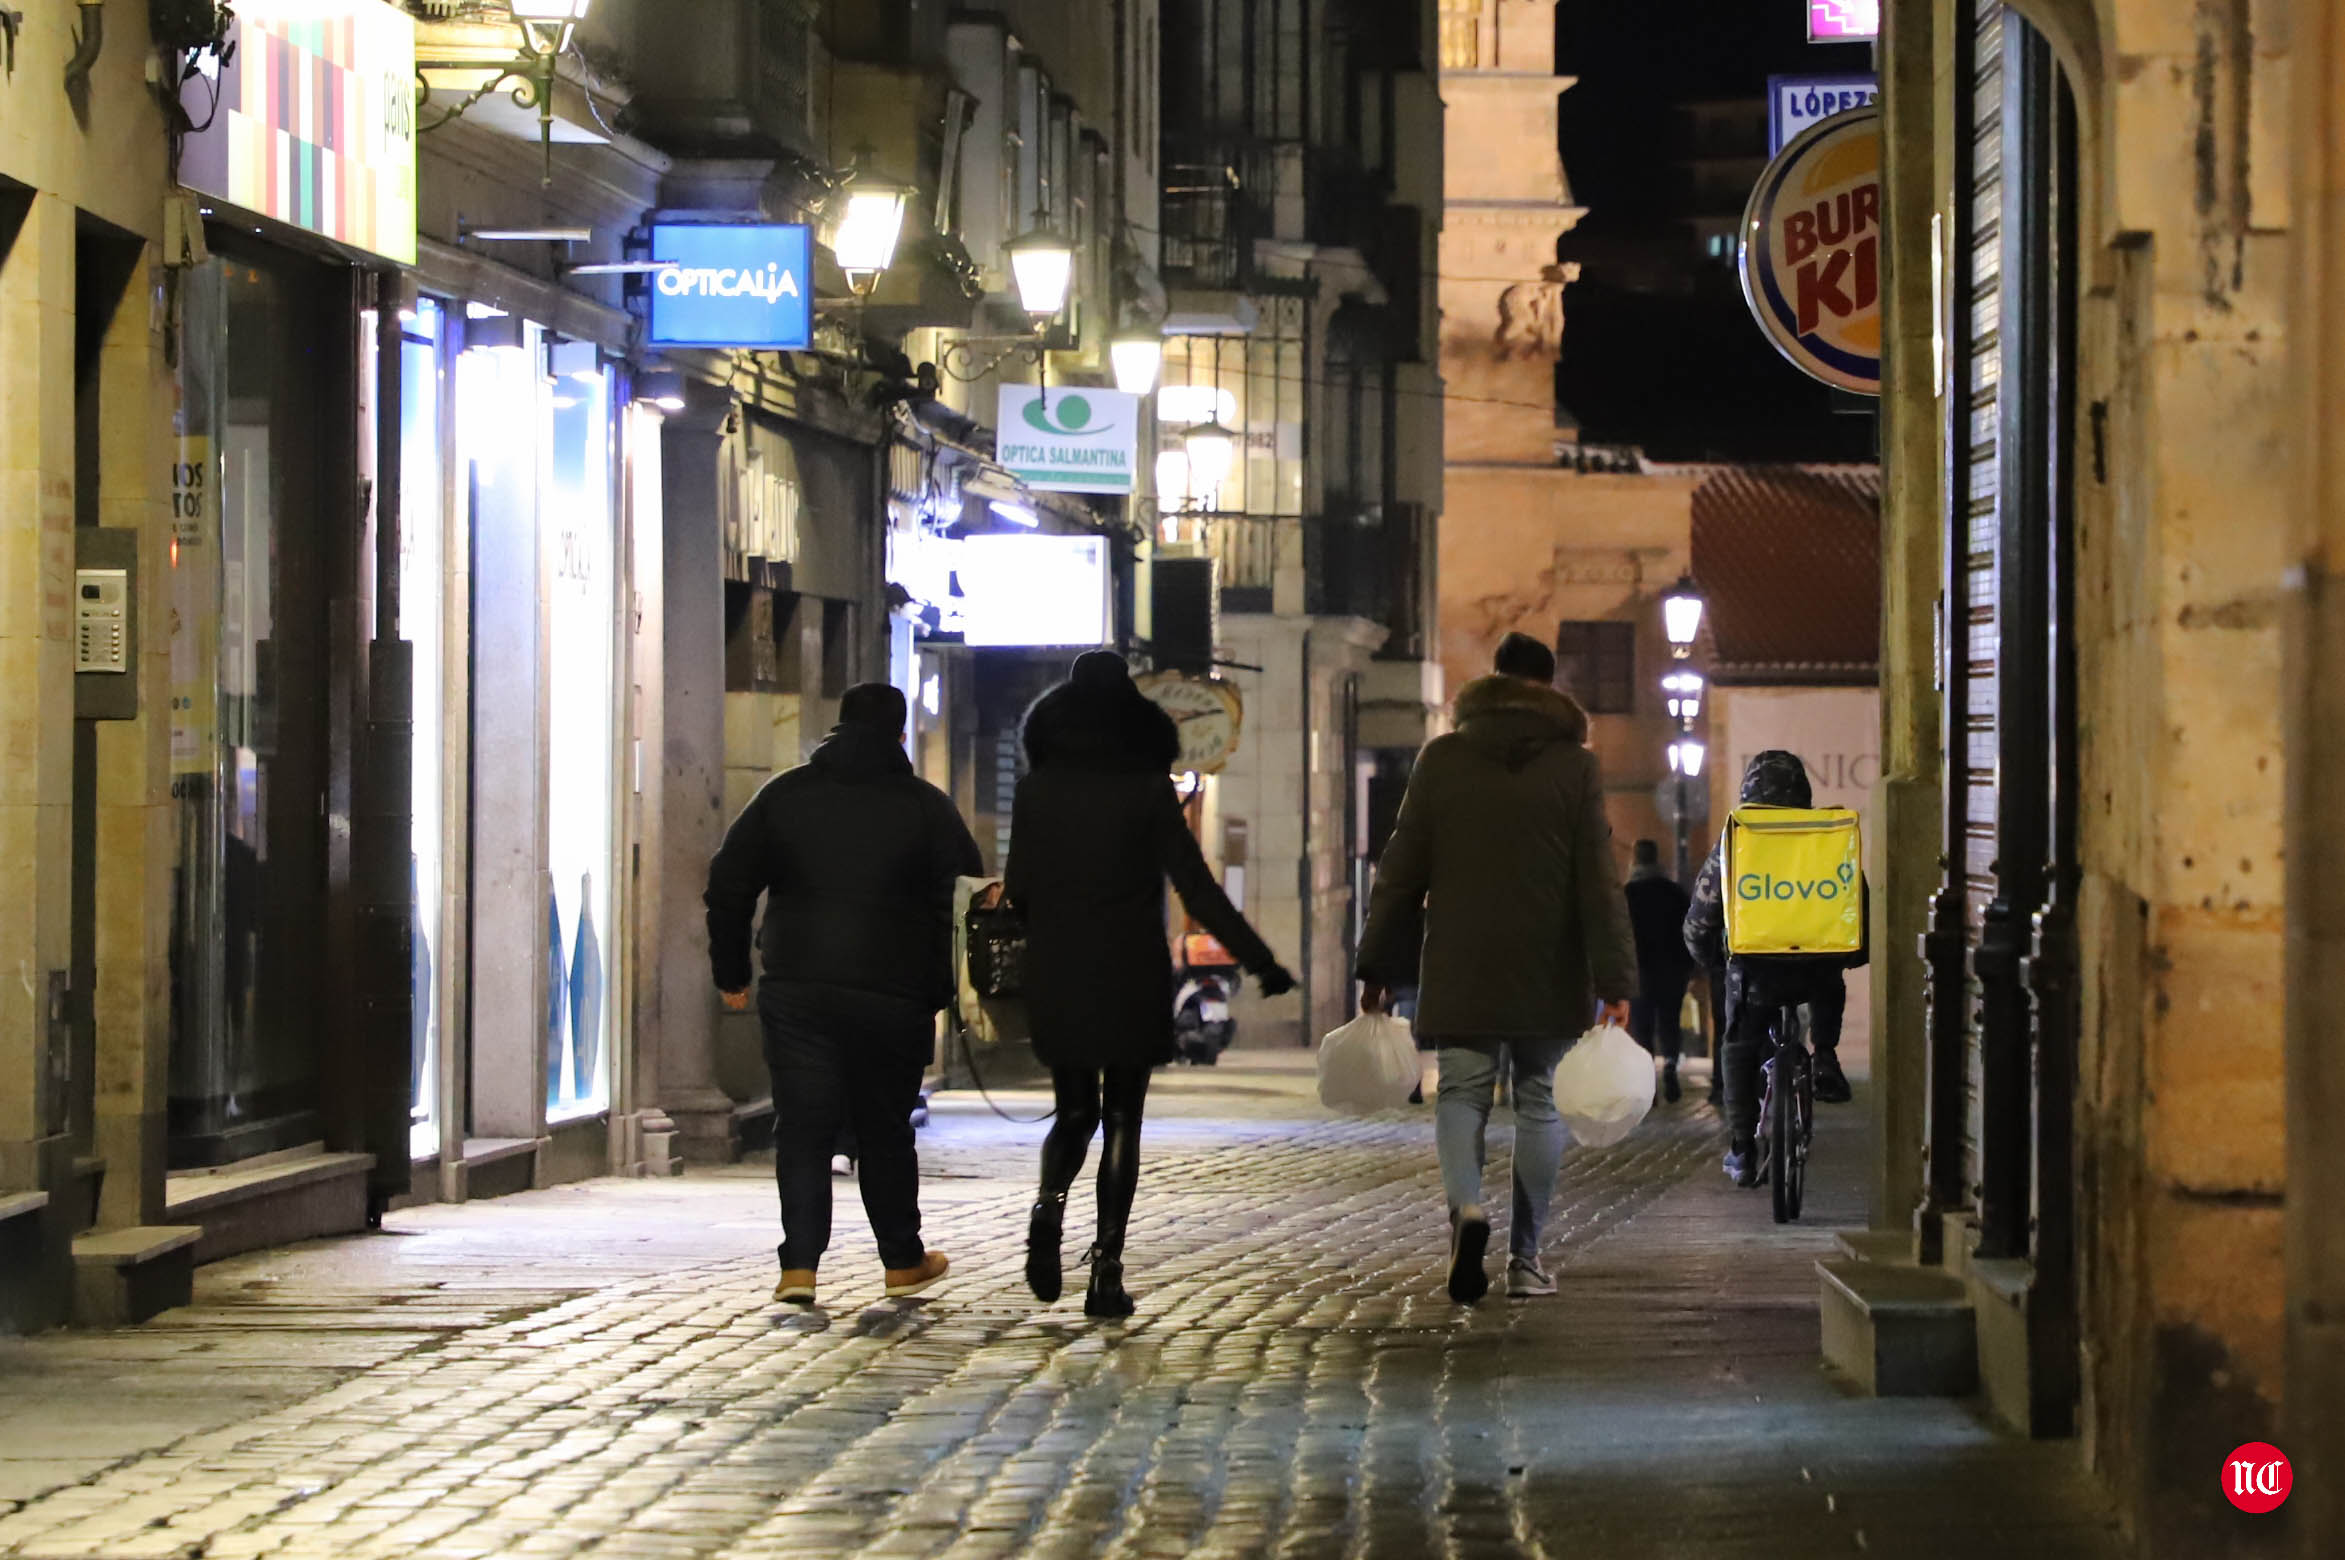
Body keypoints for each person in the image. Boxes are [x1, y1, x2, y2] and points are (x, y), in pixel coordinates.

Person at [1008, 651, 1296, 1319]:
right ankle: (1106, 1272)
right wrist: (1260, 961)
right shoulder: (1146, 790)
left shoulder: (1036, 789)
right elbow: (1195, 886)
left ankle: (1047, 1213)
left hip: (1059, 964)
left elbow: (1019, 888)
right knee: (1121, 1119)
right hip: (1130, 966)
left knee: (1073, 1109)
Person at [1356, 631, 1639, 1303]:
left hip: (1459, 955)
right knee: (1540, 1100)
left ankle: (1466, 1210)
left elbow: (1400, 871)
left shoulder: (1443, 758)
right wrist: (1613, 980)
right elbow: (1596, 879)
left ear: (1493, 682)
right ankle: (1525, 1260)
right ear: (1548, 686)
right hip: (1551, 961)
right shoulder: (1575, 766)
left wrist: (1379, 965)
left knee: (1460, 1091)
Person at [705, 682, 983, 1307]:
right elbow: (967, 903)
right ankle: (901, 1260)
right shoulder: (926, 808)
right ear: (901, 736)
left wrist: (732, 972)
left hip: (800, 991)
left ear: (837, 726)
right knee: (886, 1128)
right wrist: (943, 990)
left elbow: (728, 882)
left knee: (802, 1126)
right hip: (894, 996)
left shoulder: (785, 796)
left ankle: (798, 1268)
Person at [1682, 749, 1865, 1187]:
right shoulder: (1827, 835)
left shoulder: (1737, 838)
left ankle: (1742, 1147)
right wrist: (1854, 954)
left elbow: (1703, 912)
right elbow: (1855, 900)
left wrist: (1706, 954)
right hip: (1815, 968)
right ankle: (1824, 1055)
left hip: (1754, 973)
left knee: (1738, 1045)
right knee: (1829, 980)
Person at [1623, 839, 1695, 1102]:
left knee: (1642, 1027)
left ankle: (1647, 1082)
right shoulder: (1673, 892)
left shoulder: (1627, 894)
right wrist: (1690, 967)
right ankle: (1670, 1068)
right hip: (1672, 970)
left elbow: (1619, 936)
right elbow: (1689, 930)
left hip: (1640, 971)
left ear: (1635, 860)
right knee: (1669, 1023)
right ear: (1657, 859)